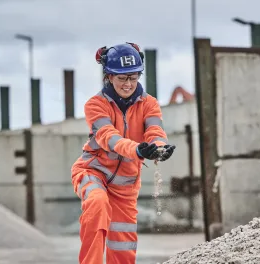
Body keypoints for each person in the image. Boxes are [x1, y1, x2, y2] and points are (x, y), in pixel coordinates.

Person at [71, 42, 176, 264]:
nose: (128, 84)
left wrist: (158, 147)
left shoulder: (149, 104)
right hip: (92, 172)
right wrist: (136, 150)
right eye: (122, 78)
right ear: (108, 76)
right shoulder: (95, 105)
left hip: (125, 184)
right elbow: (108, 137)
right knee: (97, 204)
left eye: (133, 77)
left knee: (123, 242)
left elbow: (155, 130)